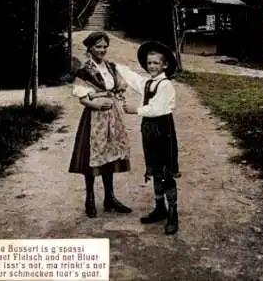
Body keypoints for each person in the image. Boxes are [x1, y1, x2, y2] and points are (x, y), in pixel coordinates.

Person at [116, 41, 180, 235]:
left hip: (163, 131)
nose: (152, 66)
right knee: (154, 169)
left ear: (165, 65)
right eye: (149, 63)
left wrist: (136, 109)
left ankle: (172, 213)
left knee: (166, 171)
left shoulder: (165, 85)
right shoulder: (148, 82)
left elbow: (158, 109)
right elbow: (134, 79)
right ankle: (159, 207)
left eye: (156, 63)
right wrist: (116, 67)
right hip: (149, 131)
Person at [69, 31, 132, 218]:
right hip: (94, 118)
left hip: (112, 117)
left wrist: (118, 93)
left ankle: (109, 198)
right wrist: (97, 104)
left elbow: (119, 86)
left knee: (110, 155)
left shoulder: (111, 67)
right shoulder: (85, 70)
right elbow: (82, 98)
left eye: (104, 46)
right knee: (92, 157)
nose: (102, 50)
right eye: (98, 46)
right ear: (90, 48)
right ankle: (89, 198)